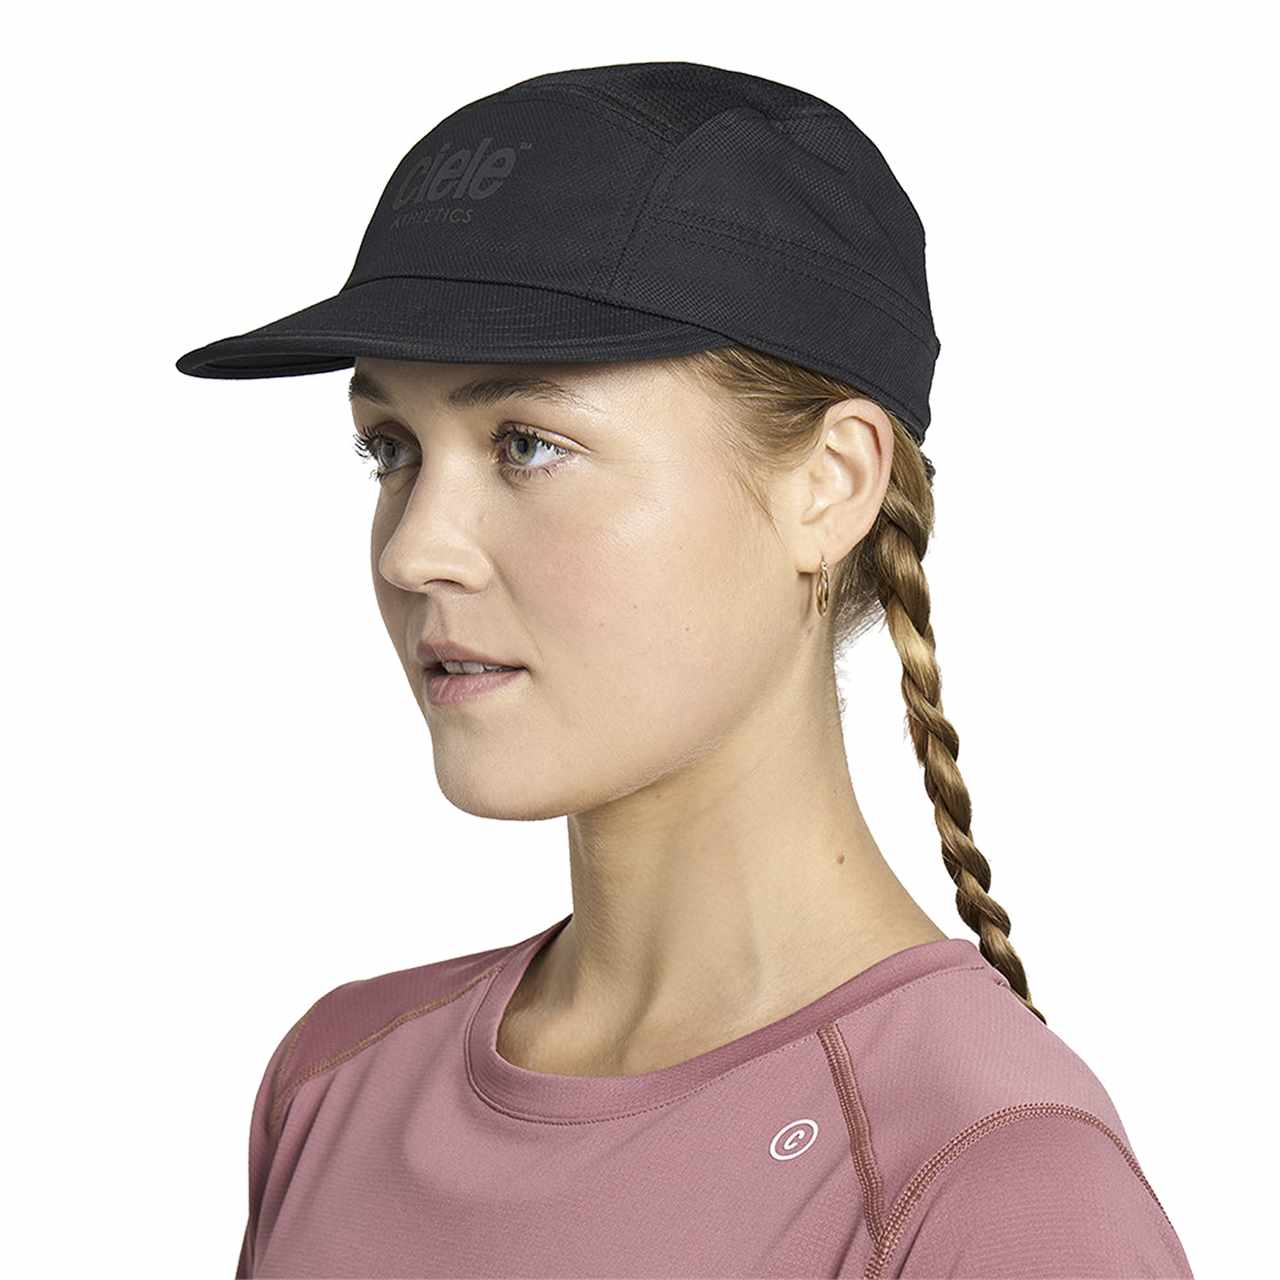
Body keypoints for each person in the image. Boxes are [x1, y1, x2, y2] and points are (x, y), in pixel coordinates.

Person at [177, 61, 1194, 1280]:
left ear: (828, 484)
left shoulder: (992, 1183)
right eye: (389, 447)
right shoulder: (335, 1083)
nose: (412, 549)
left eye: (526, 444)